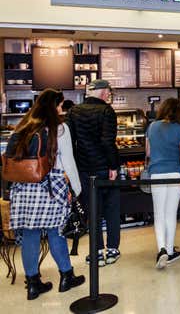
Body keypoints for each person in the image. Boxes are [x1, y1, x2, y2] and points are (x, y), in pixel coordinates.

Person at [9, 89, 85, 300]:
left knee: (30, 236)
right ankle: (66, 276)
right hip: (51, 186)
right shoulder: (60, 129)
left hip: (23, 188)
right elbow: (68, 161)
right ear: (54, 106)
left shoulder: (23, 126)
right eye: (60, 105)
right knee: (56, 232)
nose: (61, 109)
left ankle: (33, 284)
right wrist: (77, 189)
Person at [67, 79, 121, 267]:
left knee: (93, 211)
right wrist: (113, 167)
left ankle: (96, 252)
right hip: (105, 169)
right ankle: (112, 249)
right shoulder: (107, 111)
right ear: (103, 92)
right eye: (108, 92)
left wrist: (75, 167)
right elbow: (108, 142)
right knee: (112, 208)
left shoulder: (74, 111)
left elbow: (70, 143)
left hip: (84, 169)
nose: (109, 95)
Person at [146, 98, 180, 269]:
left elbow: (148, 152)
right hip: (175, 174)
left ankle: (161, 249)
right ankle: (171, 251)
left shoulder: (152, 127)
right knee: (171, 214)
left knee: (159, 214)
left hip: (156, 173)